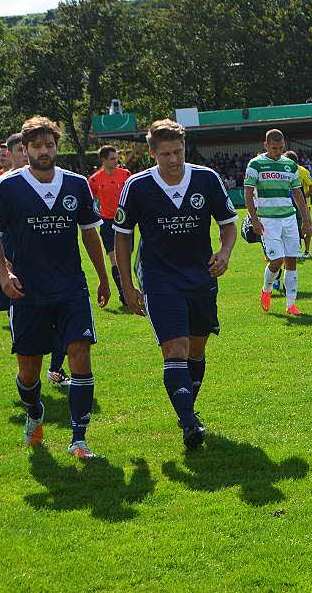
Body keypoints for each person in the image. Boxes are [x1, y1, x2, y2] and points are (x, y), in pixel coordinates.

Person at [0, 116, 110, 459]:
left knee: (80, 353)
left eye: (49, 145)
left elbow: (89, 233)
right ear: (24, 150)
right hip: (27, 291)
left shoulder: (76, 184)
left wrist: (102, 276)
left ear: (57, 147)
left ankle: (79, 439)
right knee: (29, 370)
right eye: (36, 146)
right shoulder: (5, 187)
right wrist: (3, 274)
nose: (43, 151)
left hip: (70, 287)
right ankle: (34, 409)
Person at [114, 119, 238, 449]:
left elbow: (228, 224)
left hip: (201, 277)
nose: (173, 160)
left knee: (196, 349)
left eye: (178, 152)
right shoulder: (137, 186)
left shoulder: (206, 179)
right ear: (152, 153)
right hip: (159, 278)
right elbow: (123, 237)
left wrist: (224, 253)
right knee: (176, 348)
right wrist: (126, 285)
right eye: (165, 153)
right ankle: (188, 423)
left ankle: (187, 409)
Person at [0, 132, 70, 387]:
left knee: (66, 321)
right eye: (20, 149)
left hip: (56, 270)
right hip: (18, 268)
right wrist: (4, 266)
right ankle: (31, 379)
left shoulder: (53, 181)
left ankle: (55, 369)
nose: (25, 153)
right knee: (29, 330)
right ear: (13, 153)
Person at [244, 130, 312, 315]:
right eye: (274, 148)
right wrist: (254, 219)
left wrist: (306, 220)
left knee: (292, 259)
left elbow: (298, 194)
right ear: (265, 145)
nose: (277, 152)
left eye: (281, 148)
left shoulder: (290, 165)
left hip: (289, 218)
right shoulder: (255, 165)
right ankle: (266, 290)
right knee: (277, 260)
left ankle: (291, 305)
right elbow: (248, 193)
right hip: (268, 220)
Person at [88, 145, 131, 304]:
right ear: (103, 160)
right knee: (114, 259)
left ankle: (128, 289)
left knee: (125, 258)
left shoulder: (126, 175)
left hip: (125, 221)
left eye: (116, 157)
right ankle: (124, 294)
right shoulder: (94, 180)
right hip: (107, 223)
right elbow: (90, 203)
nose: (116, 161)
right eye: (112, 158)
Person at [284, 150, 312, 258]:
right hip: (288, 205)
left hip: (303, 205)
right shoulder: (283, 171)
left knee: (306, 227)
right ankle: (297, 251)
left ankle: (307, 251)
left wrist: (304, 197)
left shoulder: (302, 171)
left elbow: (311, 186)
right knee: (293, 229)